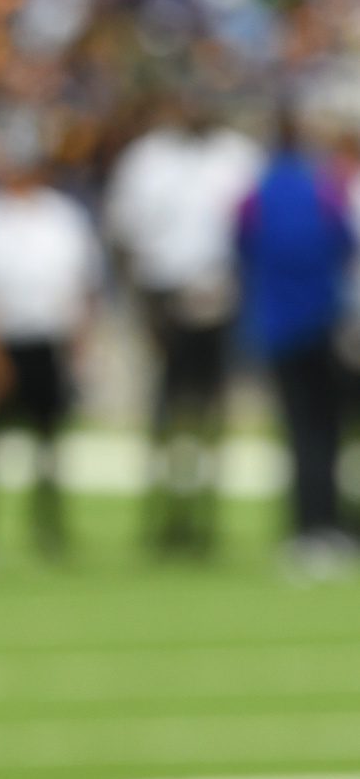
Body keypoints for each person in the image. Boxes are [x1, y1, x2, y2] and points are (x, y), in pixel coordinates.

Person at [103, 94, 262, 557]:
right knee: (165, 412)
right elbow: (123, 235)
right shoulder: (147, 159)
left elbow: (257, 233)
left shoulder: (238, 157)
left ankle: (205, 516)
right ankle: (162, 514)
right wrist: (142, 306)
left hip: (223, 293)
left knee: (211, 412)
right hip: (163, 296)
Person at [0, 120, 101, 559]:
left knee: (48, 443)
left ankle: (49, 529)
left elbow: (83, 286)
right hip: (1, 341)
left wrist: (80, 348)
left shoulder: (63, 216)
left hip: (48, 340)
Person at [237, 110, 356, 572]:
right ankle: (329, 524)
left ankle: (305, 529)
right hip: (324, 323)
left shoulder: (258, 195)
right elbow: (344, 246)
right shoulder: (323, 190)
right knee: (328, 431)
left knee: (300, 431)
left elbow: (243, 251)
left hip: (279, 327)